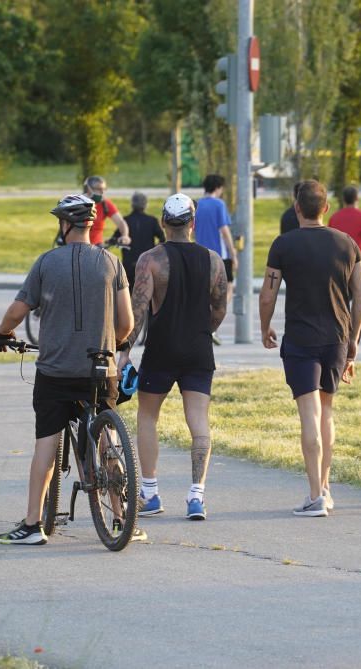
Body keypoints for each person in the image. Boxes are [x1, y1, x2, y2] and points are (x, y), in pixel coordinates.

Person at [0, 194, 136, 545]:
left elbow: (17, 311)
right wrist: (110, 343)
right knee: (107, 439)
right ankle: (120, 518)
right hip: (100, 371)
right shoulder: (111, 263)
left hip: (56, 371)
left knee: (46, 442)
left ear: (65, 225)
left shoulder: (46, 263)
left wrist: (2, 333)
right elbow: (127, 322)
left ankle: (31, 524)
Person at [258, 179, 361, 518]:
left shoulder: (283, 245)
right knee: (327, 413)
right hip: (336, 338)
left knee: (310, 414)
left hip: (301, 339)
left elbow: (267, 294)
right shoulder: (348, 244)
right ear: (326, 208)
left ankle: (314, 495)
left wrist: (265, 328)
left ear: (296, 208)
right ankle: (327, 488)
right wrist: (353, 340)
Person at [119, 193, 227, 521]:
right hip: (198, 349)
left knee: (148, 417)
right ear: (192, 223)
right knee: (198, 422)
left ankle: (150, 492)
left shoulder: (150, 260)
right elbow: (219, 310)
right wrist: (202, 330)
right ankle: (197, 497)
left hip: (162, 349)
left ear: (164, 223)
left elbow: (137, 312)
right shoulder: (213, 260)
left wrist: (123, 350)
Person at [194, 174, 238, 345]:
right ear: (218, 188)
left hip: (201, 254)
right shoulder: (219, 204)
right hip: (220, 255)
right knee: (228, 288)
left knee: (205, 291)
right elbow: (225, 232)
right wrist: (234, 254)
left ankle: (207, 323)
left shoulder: (197, 204)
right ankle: (213, 323)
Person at [114, 191, 164, 289]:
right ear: (145, 205)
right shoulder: (152, 220)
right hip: (147, 263)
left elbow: (115, 239)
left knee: (129, 292)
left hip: (128, 264)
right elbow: (162, 238)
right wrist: (155, 250)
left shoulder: (125, 221)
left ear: (132, 204)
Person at [328, 185, 361, 269]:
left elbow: (329, 241)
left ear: (344, 199)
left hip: (338, 264)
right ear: (357, 198)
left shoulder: (334, 217)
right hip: (359, 262)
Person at [82, 176, 131, 247]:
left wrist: (125, 235)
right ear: (88, 189)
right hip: (78, 246)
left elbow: (120, 222)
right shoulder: (78, 203)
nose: (102, 192)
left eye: (104, 189)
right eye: (99, 189)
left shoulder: (105, 204)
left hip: (97, 247)